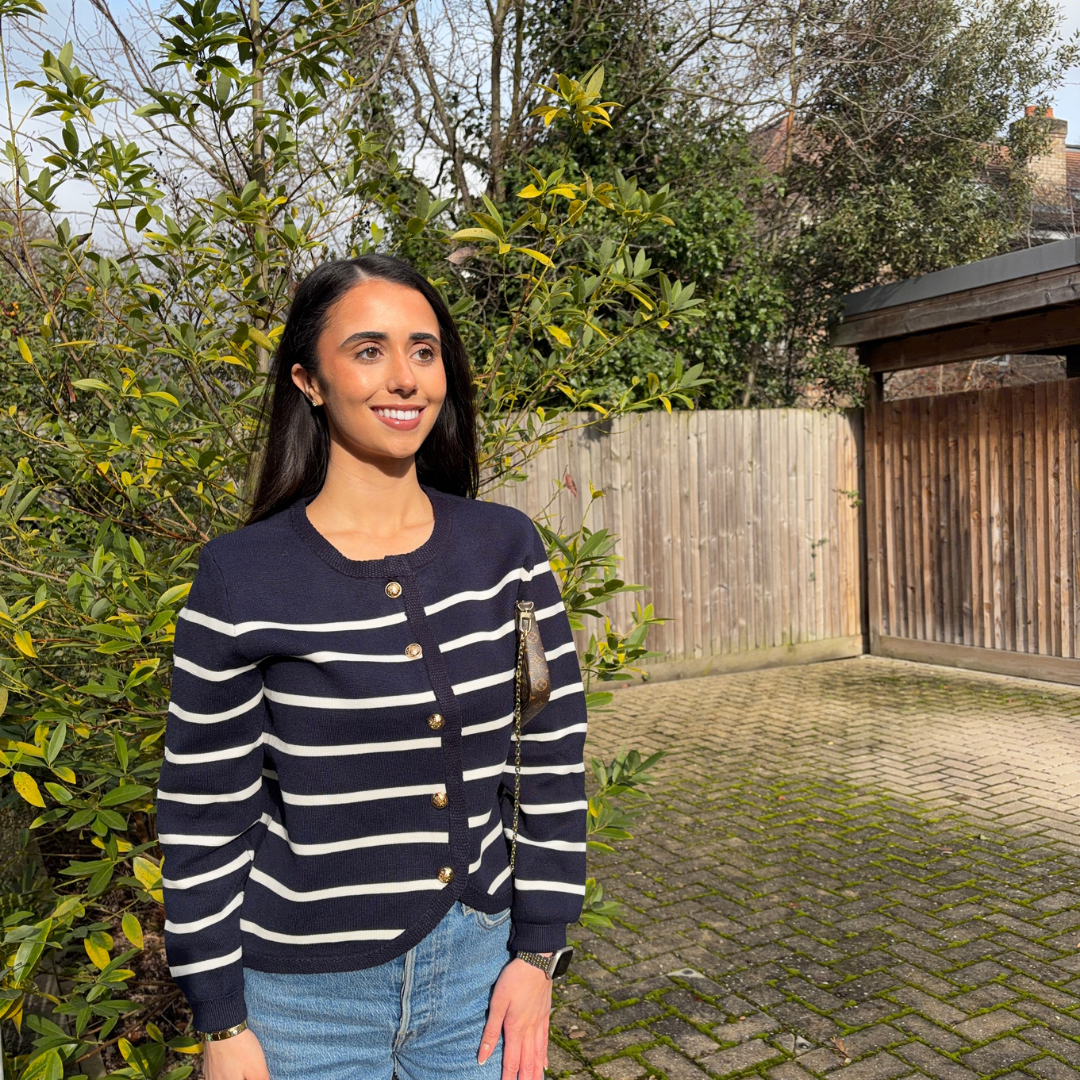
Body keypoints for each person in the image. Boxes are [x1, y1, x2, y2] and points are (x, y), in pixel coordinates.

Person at [155, 254, 588, 1080]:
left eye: (424, 351)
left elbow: (550, 757)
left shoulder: (506, 552)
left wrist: (538, 954)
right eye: (368, 350)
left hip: (476, 979)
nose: (405, 378)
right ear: (309, 381)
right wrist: (220, 1021)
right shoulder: (241, 577)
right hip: (297, 1003)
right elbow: (204, 812)